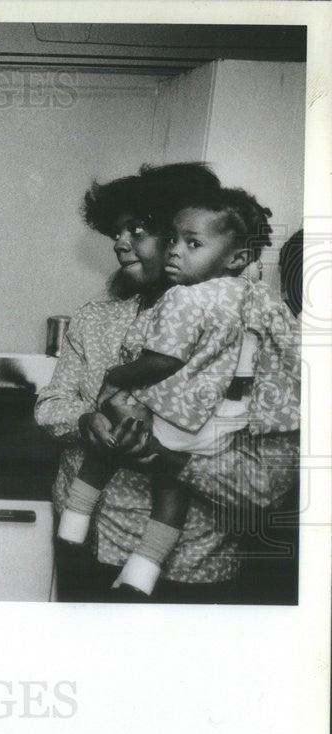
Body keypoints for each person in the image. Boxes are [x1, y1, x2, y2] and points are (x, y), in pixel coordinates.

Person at [35, 163, 300, 603]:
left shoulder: (257, 333)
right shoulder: (97, 317)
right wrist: (86, 422)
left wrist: (168, 456)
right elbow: (51, 404)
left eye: (138, 229)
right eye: (117, 232)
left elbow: (264, 487)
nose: (121, 243)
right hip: (84, 547)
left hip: (186, 566)